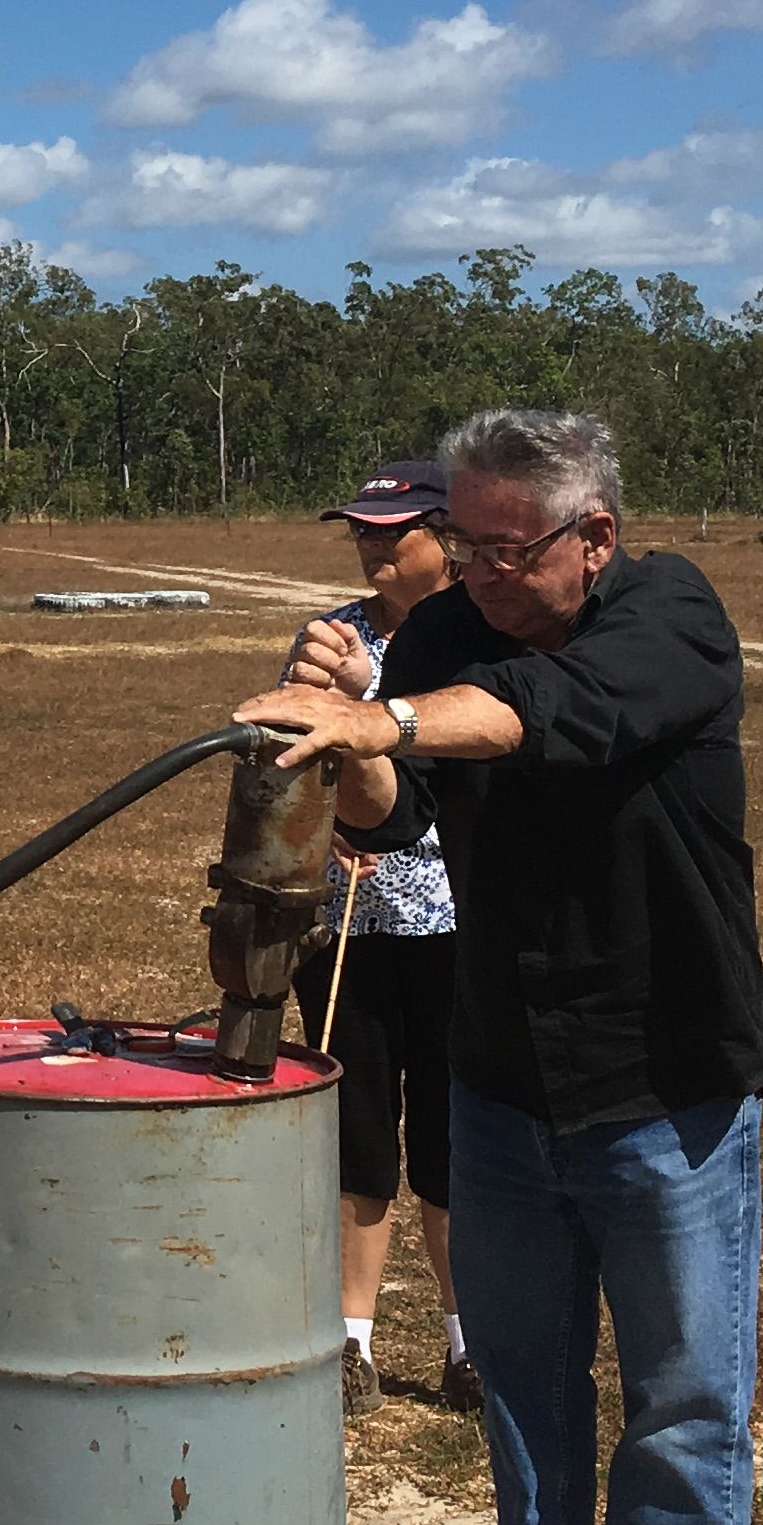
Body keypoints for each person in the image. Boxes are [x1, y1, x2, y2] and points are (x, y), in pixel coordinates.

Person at [235, 406, 763, 1525]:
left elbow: (560, 718)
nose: (474, 573)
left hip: (665, 1079)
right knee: (525, 1385)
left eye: (503, 550)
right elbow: (392, 828)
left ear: (592, 537)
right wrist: (340, 742)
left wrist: (383, 710)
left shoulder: (672, 615)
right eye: (457, 545)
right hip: (505, 1076)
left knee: (682, 1395)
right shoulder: (442, 640)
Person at [283, 459, 470, 1424]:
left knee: (451, 1136)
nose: (369, 546)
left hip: (452, 923)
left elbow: (462, 742)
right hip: (347, 919)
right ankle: (351, 1346)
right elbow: (299, 751)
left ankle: (464, 1342)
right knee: (358, 1137)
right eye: (359, 529)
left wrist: (376, 691)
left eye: (390, 532)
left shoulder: (479, 632)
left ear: (446, 539)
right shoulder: (330, 634)